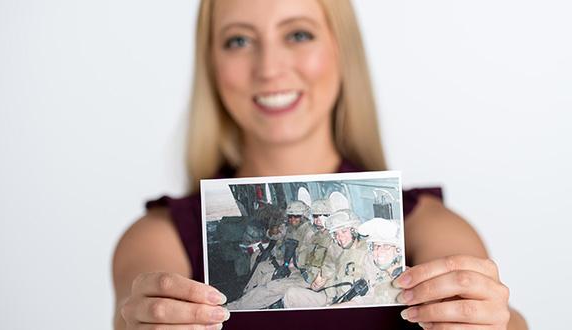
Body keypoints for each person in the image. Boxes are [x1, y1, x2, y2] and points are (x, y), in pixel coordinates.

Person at [112, 0, 527, 329]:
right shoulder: (160, 240)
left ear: (341, 49)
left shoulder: (429, 229)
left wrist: (494, 321)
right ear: (211, 64)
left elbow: (498, 318)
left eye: (298, 34)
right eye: (238, 40)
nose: (270, 68)